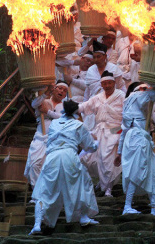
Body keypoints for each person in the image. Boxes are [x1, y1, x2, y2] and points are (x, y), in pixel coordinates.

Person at [29, 100, 99, 235]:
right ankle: (83, 216)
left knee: (44, 189)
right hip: (69, 156)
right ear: (76, 112)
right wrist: (96, 143)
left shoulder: (54, 123)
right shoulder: (79, 125)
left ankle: (37, 224)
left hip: (52, 157)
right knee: (82, 183)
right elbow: (89, 146)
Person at [115, 82, 155, 216]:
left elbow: (123, 133)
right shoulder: (136, 95)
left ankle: (154, 207)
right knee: (138, 172)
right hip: (138, 140)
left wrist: (119, 152)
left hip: (137, 140)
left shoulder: (128, 105)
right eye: (144, 89)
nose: (145, 91)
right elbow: (153, 94)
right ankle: (127, 206)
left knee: (151, 171)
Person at [78, 71, 124, 197]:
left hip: (116, 130)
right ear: (101, 85)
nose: (107, 85)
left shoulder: (121, 96)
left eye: (109, 83)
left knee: (108, 160)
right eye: (104, 83)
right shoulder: (98, 97)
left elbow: (127, 115)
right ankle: (102, 181)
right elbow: (84, 106)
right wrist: (71, 108)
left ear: (114, 83)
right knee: (86, 158)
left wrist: (119, 133)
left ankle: (108, 188)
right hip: (99, 132)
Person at [24, 82, 68, 188]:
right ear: (54, 89)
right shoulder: (44, 102)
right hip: (41, 136)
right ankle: (36, 190)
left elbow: (64, 118)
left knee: (52, 167)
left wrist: (48, 112)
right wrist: (46, 92)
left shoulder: (66, 106)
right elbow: (34, 104)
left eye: (65, 90)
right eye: (60, 88)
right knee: (35, 163)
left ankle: (48, 192)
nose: (62, 91)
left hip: (57, 139)